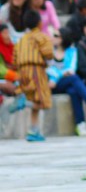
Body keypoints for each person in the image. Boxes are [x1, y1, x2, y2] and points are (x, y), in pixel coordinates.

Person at [48, 28, 86, 136]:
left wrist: (57, 74)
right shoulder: (49, 51)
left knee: (73, 90)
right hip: (51, 84)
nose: (53, 37)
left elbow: (71, 69)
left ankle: (81, 124)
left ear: (63, 38)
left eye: (56, 36)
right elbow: (47, 69)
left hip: (65, 82)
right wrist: (58, 75)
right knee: (74, 79)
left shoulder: (72, 51)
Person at [14, 9, 54, 141]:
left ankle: (33, 130)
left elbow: (14, 58)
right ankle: (25, 103)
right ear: (39, 23)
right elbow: (48, 52)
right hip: (36, 70)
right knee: (42, 101)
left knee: (35, 100)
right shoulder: (41, 36)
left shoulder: (21, 39)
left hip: (22, 71)